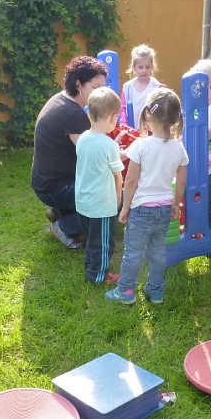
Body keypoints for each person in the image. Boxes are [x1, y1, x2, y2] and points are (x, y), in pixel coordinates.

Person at [106, 88, 189, 305]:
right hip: (163, 208)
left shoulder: (141, 145)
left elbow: (131, 181)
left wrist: (124, 208)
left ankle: (125, 292)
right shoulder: (178, 147)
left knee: (133, 253)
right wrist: (176, 204)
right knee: (157, 253)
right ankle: (156, 292)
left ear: (148, 115)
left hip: (141, 209)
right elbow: (180, 182)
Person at [32, 56, 108, 250]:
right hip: (55, 187)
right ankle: (64, 226)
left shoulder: (61, 99)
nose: (100, 93)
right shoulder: (73, 114)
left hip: (45, 181)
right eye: (95, 87)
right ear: (78, 84)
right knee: (108, 197)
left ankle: (61, 211)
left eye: (103, 87)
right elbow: (93, 158)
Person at [75, 87, 124, 284]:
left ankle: (90, 266)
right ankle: (99, 276)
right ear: (113, 117)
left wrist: (115, 148)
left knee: (91, 239)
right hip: (101, 207)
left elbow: (98, 161)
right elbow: (117, 177)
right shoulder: (108, 145)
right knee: (104, 244)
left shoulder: (83, 138)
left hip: (83, 202)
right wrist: (119, 199)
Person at [119, 44, 164, 130]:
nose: (144, 70)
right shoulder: (127, 88)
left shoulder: (157, 87)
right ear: (134, 68)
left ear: (152, 67)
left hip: (151, 131)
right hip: (131, 131)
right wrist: (125, 125)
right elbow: (122, 109)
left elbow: (160, 110)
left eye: (147, 67)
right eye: (140, 67)